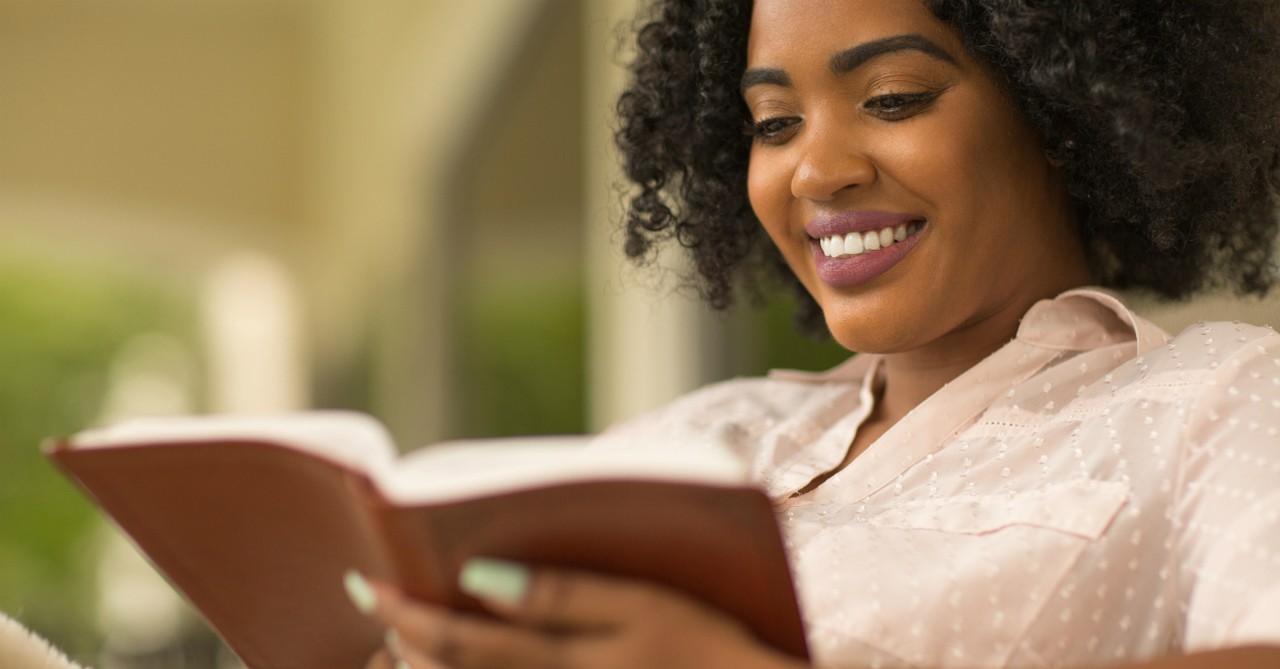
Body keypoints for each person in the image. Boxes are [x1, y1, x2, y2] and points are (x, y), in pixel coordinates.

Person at [350, 0, 1280, 667]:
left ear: (1061, 114)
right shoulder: (692, 435)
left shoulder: (1214, 402)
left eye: (893, 98)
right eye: (776, 123)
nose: (814, 171)